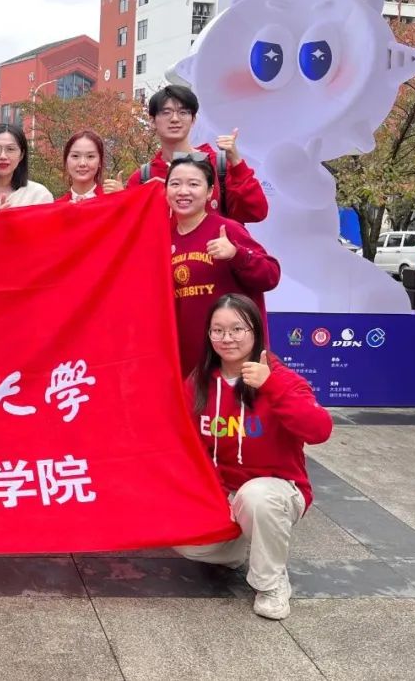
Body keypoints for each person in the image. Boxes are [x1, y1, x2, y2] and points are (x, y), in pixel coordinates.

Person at [176, 293, 333, 620]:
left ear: (255, 331)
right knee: (182, 540)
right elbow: (185, 443)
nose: (227, 338)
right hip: (223, 495)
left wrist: (271, 386)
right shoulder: (200, 381)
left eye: (237, 329)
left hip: (276, 492)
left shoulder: (281, 378)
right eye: (217, 330)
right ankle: (236, 547)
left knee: (256, 497)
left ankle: (271, 582)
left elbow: (319, 430)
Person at [168, 155, 280, 376]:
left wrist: (236, 255)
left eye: (193, 184)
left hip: (234, 362)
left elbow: (271, 275)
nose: (183, 191)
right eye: (175, 184)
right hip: (188, 367)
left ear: (210, 192)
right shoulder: (164, 238)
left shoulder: (227, 230)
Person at [127, 85, 268, 223]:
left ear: (193, 120)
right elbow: (130, 227)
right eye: (166, 112)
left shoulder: (217, 165)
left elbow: (257, 212)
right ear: (152, 121)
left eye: (183, 112)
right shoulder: (143, 177)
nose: (175, 119)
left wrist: (236, 162)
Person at [55, 130, 126, 203]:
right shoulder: (57, 206)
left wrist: (123, 199)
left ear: (100, 161)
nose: (82, 163)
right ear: (66, 160)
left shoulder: (112, 199)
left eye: (90, 156)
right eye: (75, 156)